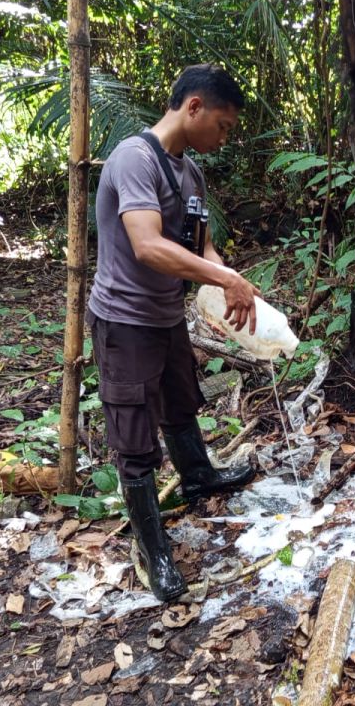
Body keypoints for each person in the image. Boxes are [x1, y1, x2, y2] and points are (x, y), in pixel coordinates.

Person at [88, 64, 261, 600]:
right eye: (224, 125)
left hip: (167, 317)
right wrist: (225, 278)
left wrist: (224, 281)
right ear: (193, 107)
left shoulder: (191, 174)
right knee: (135, 438)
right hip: (125, 321)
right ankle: (153, 549)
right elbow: (148, 245)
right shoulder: (134, 159)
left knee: (181, 403)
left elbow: (197, 245)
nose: (224, 137)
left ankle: (198, 475)